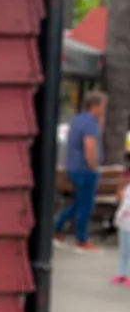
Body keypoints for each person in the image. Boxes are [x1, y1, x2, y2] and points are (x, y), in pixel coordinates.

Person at [55, 90, 106, 252]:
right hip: (85, 170)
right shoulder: (90, 123)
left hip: (73, 168)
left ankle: (56, 229)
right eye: (103, 106)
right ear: (94, 106)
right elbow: (89, 145)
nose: (104, 110)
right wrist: (93, 167)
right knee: (86, 206)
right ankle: (82, 239)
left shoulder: (77, 120)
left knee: (78, 203)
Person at [115, 180, 130, 287]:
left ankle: (122, 274)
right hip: (125, 225)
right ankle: (122, 274)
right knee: (124, 252)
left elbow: (124, 206)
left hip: (125, 224)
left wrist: (118, 219)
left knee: (125, 252)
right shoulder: (128, 189)